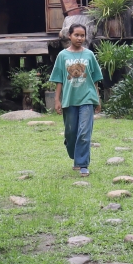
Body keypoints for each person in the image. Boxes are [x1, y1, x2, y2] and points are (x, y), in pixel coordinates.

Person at [49, 24, 103, 176]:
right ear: (69, 36)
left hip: (87, 98)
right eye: (76, 35)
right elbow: (59, 80)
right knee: (71, 133)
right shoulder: (62, 56)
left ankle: (82, 164)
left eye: (82, 35)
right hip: (69, 99)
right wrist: (57, 100)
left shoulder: (89, 55)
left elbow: (95, 79)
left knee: (84, 133)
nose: (80, 38)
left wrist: (97, 99)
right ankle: (74, 151)